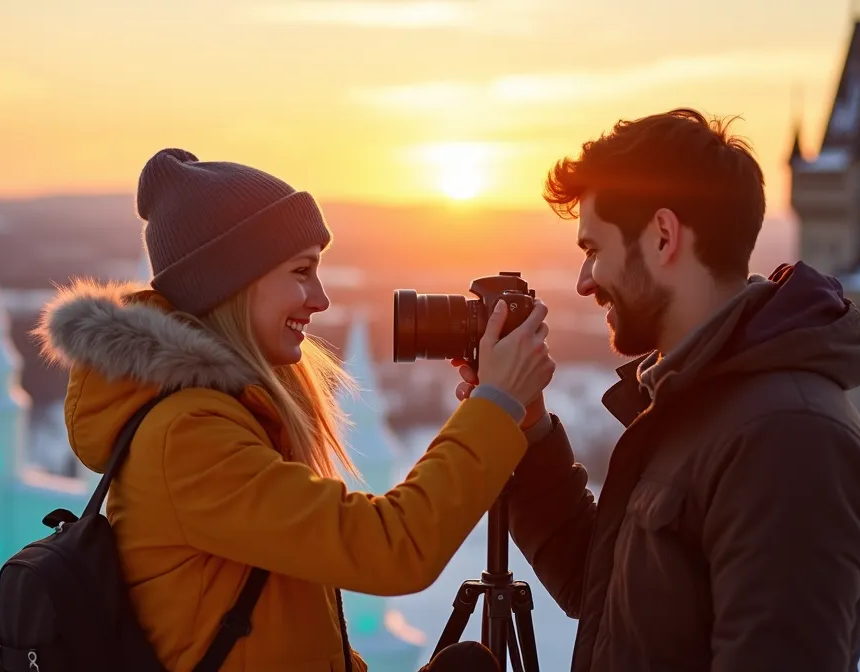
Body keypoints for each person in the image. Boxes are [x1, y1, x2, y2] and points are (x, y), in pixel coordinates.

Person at [35, 148, 554, 672]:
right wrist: (495, 405)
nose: (321, 298)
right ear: (231, 282)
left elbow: (276, 642)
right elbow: (394, 550)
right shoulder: (188, 438)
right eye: (302, 271)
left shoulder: (227, 420)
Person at [452, 109, 860, 671]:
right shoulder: (696, 400)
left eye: (593, 250)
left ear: (662, 236)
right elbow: (606, 591)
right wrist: (528, 430)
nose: (585, 281)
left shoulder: (790, 439)